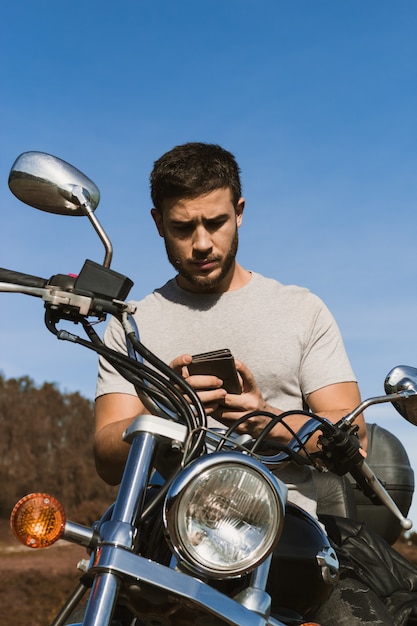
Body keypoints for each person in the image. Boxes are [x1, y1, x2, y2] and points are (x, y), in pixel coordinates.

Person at [94, 142, 405, 624]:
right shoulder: (131, 324)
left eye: (215, 222)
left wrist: (267, 418)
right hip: (163, 540)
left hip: (288, 541)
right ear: (157, 223)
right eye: (182, 227)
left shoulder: (302, 310)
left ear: (239, 213)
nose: (201, 243)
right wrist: (167, 415)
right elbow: (106, 453)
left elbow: (351, 436)